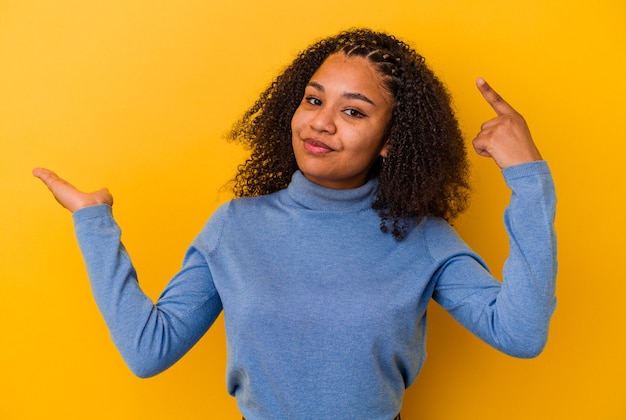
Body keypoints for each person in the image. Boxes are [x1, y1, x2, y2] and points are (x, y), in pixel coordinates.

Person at [33, 28, 557, 420]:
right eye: (313, 99)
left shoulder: (421, 238)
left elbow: (521, 333)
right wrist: (93, 223)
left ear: (392, 139)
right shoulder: (234, 227)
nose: (320, 122)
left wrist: (528, 179)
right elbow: (149, 349)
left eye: (354, 112)